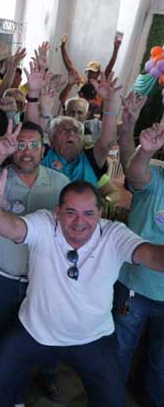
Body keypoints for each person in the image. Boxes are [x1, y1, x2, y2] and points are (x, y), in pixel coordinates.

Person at [0, 176, 164, 407]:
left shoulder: (114, 234)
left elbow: (151, 255)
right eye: (70, 212)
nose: (79, 221)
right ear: (57, 211)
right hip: (35, 330)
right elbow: (13, 228)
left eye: (89, 213)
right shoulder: (45, 223)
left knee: (113, 401)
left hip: (92, 337)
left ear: (100, 213)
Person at [0, 120, 69, 407]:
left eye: (33, 145)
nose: (27, 152)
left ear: (44, 150)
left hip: (40, 281)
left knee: (25, 344)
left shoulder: (60, 183)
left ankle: (17, 396)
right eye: (20, 145)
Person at [114, 122, 164, 405]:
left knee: (160, 365)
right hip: (135, 288)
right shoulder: (155, 177)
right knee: (119, 352)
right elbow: (136, 174)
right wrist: (145, 152)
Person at [26, 61, 120, 186]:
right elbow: (30, 135)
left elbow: (106, 142)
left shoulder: (90, 160)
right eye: (63, 129)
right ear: (51, 139)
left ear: (82, 142)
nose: (71, 132)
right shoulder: (44, 155)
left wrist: (110, 102)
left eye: (76, 130)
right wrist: (33, 94)